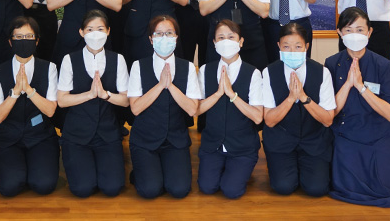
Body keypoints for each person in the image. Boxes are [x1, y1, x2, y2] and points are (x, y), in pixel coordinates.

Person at [325, 7, 390, 208]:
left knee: (385, 185)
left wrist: (361, 87)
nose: (355, 35)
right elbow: (330, 114)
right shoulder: (332, 64)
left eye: (360, 30)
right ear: (339, 33)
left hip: (377, 132)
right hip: (345, 132)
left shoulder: (383, 65)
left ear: (370, 32)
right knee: (345, 183)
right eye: (348, 30)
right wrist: (348, 85)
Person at [127, 15, 201, 199]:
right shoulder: (138, 66)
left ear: (176, 37)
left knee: (179, 190)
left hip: (175, 140)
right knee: (150, 190)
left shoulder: (188, 67)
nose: (164, 38)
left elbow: (192, 109)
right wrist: (160, 85)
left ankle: (160, 171)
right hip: (145, 139)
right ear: (151, 39)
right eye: (159, 34)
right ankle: (145, 172)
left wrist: (171, 86)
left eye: (169, 33)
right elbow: (135, 108)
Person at [57, 10, 129, 198]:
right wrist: (89, 95)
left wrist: (105, 95)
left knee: (112, 188)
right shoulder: (69, 60)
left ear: (108, 31)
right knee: (82, 189)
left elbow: (126, 100)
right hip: (77, 134)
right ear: (81, 32)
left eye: (100, 29)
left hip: (107, 133)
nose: (95, 34)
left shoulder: (118, 59)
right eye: (90, 29)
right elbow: (62, 100)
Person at [0, 17, 60, 197]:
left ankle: (32, 168)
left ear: (37, 40)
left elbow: (50, 110)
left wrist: (29, 90)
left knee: (44, 185)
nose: (24, 40)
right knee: (9, 187)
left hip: (40, 136)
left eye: (29, 36)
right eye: (18, 37)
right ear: (10, 41)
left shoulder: (49, 68)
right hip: (8, 138)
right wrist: (15, 92)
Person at [262, 21, 335, 197]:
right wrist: (290, 98)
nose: (292, 51)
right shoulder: (268, 72)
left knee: (316, 189)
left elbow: (328, 120)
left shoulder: (322, 72)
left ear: (306, 47)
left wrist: (303, 97)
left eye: (298, 46)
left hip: (313, 140)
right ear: (279, 46)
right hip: (281, 140)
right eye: (286, 46)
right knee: (283, 187)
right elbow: (269, 120)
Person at [196, 20, 263, 199]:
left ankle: (238, 169)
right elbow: (196, 110)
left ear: (241, 42)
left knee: (231, 190)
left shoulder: (253, 73)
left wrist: (232, 95)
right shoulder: (205, 70)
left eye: (231, 37)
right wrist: (219, 93)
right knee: (207, 187)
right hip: (213, 145)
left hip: (242, 147)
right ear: (214, 43)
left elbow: (257, 117)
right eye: (221, 38)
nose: (226, 41)